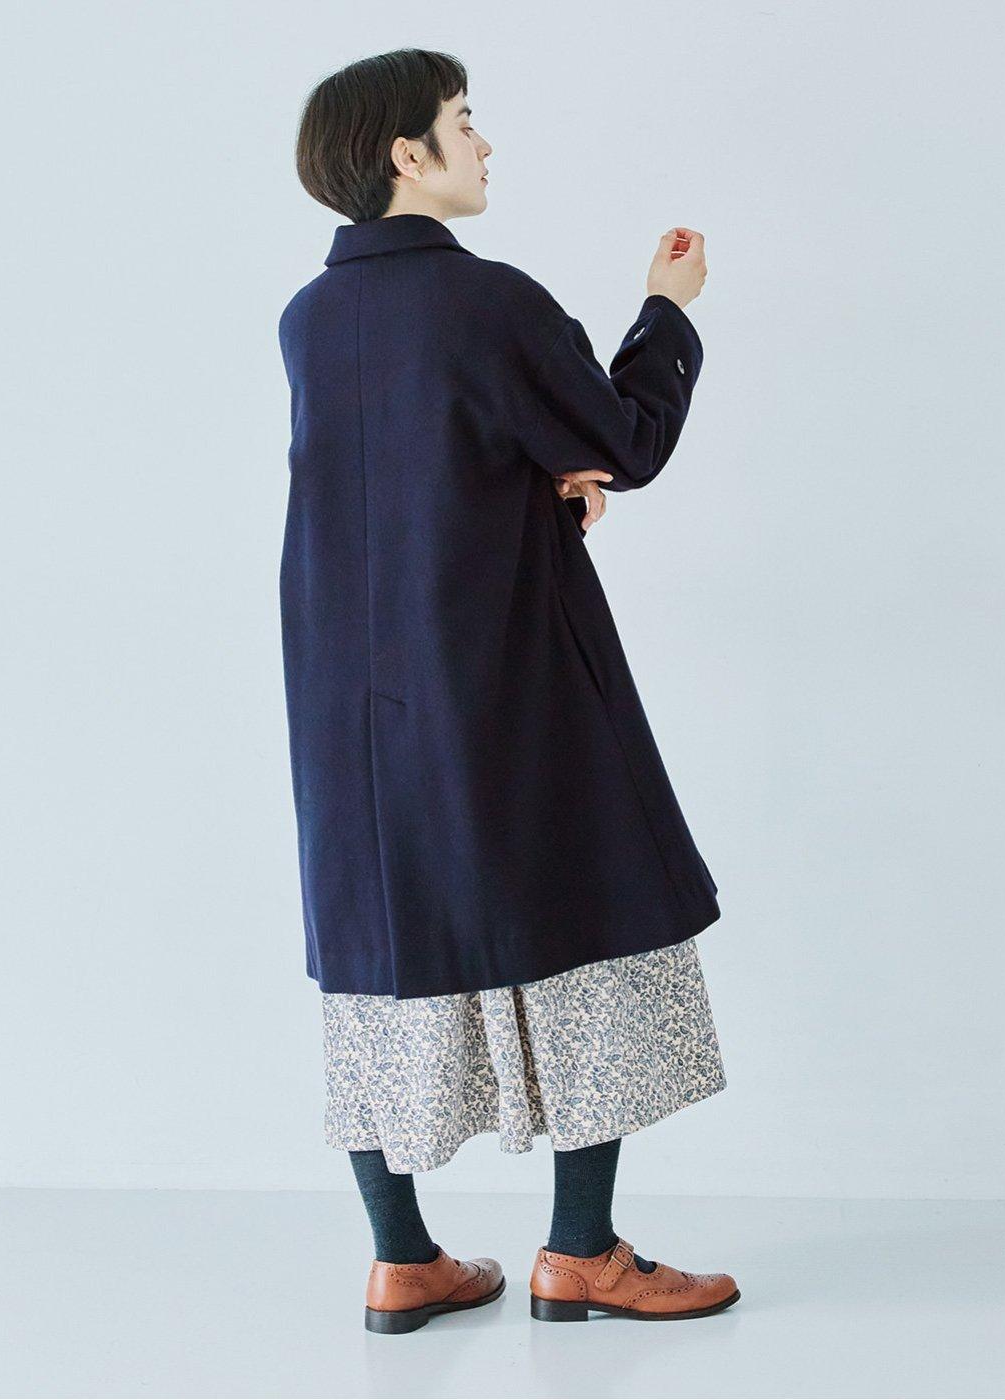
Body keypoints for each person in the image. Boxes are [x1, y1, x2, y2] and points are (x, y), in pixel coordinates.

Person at [278, 48, 739, 1333]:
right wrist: (666, 311)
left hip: (346, 686)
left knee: (379, 943)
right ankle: (581, 1251)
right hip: (499, 668)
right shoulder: (487, 299)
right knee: (582, 905)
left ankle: (403, 1257)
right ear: (405, 155)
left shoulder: (307, 319)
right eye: (464, 122)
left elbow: (407, 478)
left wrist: (536, 490)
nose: (485, 144)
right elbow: (622, 439)